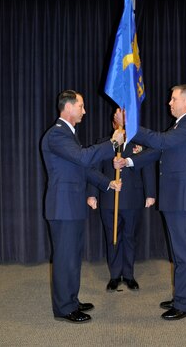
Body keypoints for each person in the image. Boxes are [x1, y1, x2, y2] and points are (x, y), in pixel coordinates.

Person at [114, 84, 186, 320]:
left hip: (182, 198)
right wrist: (131, 162)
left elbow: (162, 142)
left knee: (184, 253)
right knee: (178, 252)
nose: (169, 103)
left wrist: (131, 125)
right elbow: (158, 151)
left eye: (173, 99)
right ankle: (180, 297)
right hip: (175, 198)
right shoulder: (180, 126)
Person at [41, 90, 124, 323]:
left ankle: (71, 300)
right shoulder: (57, 135)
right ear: (68, 107)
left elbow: (84, 169)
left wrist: (107, 183)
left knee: (73, 256)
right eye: (81, 106)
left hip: (71, 207)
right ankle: (64, 308)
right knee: (65, 258)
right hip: (63, 207)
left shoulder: (68, 136)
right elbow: (85, 158)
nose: (84, 111)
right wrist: (112, 143)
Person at [87, 113, 156, 292]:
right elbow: (94, 169)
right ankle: (115, 275)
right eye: (120, 121)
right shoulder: (103, 144)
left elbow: (147, 168)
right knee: (113, 237)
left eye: (126, 121)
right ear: (113, 123)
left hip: (133, 198)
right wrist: (92, 194)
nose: (123, 124)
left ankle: (129, 275)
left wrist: (150, 194)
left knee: (130, 237)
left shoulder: (139, 143)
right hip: (109, 199)